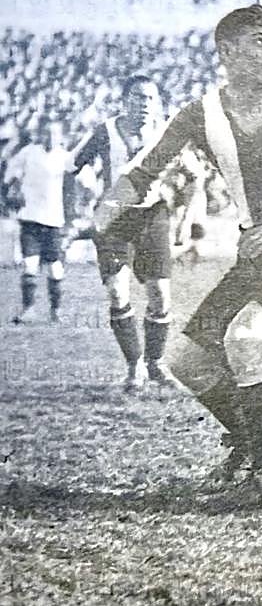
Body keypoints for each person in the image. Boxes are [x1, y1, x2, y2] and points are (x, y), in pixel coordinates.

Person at [97, 4, 262, 503]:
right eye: (260, 40)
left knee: (243, 341)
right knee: (186, 360)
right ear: (227, 50)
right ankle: (251, 447)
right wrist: (107, 207)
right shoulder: (202, 113)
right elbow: (144, 169)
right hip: (257, 258)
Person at [72, 75, 174, 392]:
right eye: (137, 98)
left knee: (160, 296)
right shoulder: (105, 131)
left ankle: (155, 364)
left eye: (149, 99)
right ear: (124, 100)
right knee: (118, 291)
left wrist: (183, 216)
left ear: (156, 104)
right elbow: (71, 166)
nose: (143, 105)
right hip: (113, 218)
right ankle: (134, 367)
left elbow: (192, 174)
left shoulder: (166, 133)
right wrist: (75, 208)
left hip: (153, 218)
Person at [5, 121, 73, 324]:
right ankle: (29, 310)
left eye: (55, 134)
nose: (51, 137)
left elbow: (77, 181)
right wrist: (14, 186)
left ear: (60, 136)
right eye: (47, 133)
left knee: (55, 268)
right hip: (30, 217)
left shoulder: (65, 157)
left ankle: (56, 312)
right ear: (41, 134)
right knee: (29, 265)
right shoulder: (29, 152)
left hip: (53, 220)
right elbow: (11, 173)